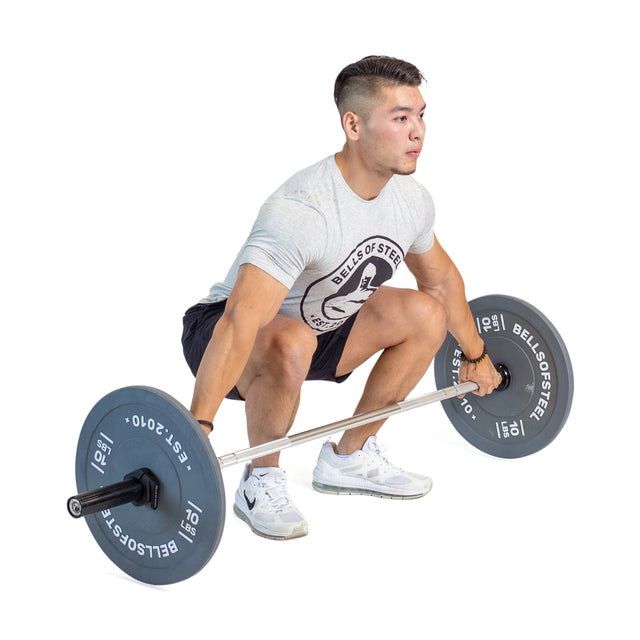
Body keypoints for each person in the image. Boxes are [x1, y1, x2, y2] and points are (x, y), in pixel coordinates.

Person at [182, 55, 502, 541]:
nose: (418, 131)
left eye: (420, 115)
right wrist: (196, 428)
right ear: (353, 124)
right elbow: (239, 322)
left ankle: (349, 457)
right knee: (289, 338)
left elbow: (440, 281)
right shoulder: (302, 209)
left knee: (425, 313)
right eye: (400, 118)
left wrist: (476, 356)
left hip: (317, 330)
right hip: (222, 336)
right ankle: (260, 478)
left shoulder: (410, 201)